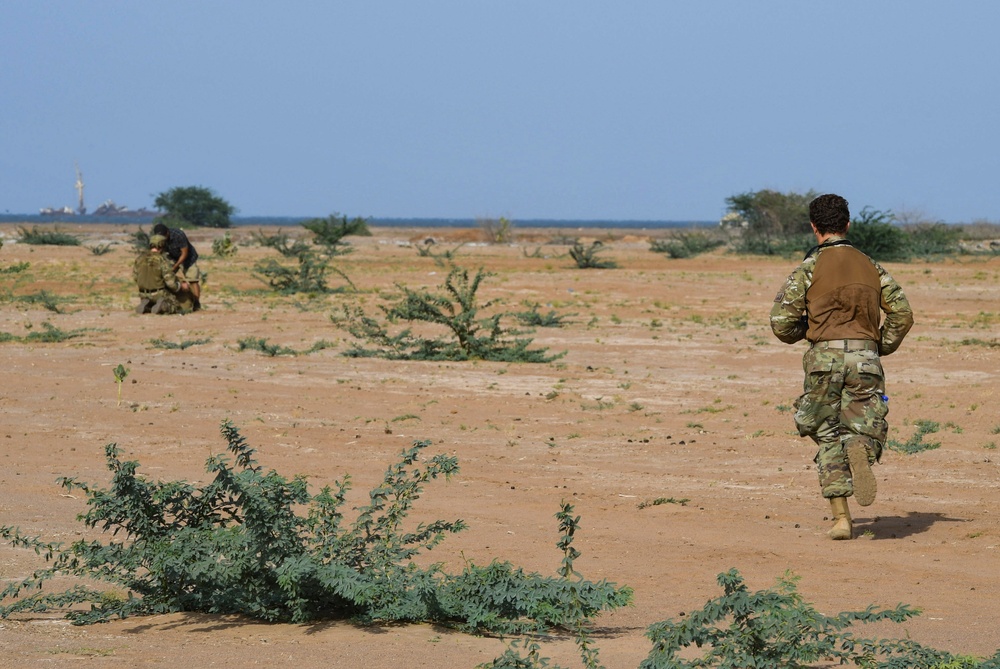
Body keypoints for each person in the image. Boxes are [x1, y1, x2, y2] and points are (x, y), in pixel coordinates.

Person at [770, 194, 913, 540]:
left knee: (826, 432)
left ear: (814, 228)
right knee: (864, 425)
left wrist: (810, 332)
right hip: (866, 356)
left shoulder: (808, 268)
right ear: (847, 224)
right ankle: (861, 449)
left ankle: (841, 519)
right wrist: (880, 344)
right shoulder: (870, 265)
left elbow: (780, 322)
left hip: (824, 358)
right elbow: (903, 313)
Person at [133, 234, 192, 314]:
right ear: (162, 246)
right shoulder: (163, 261)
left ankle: (147, 305)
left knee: (153, 301)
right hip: (159, 293)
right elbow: (171, 283)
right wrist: (180, 286)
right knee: (175, 305)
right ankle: (163, 307)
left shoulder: (139, 259)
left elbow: (136, 277)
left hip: (143, 293)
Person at [151, 222, 202, 310]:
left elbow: (184, 253)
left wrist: (176, 266)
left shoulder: (178, 234)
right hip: (171, 257)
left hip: (188, 258)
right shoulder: (158, 238)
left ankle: (196, 303)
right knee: (164, 277)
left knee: (193, 280)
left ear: (167, 232)